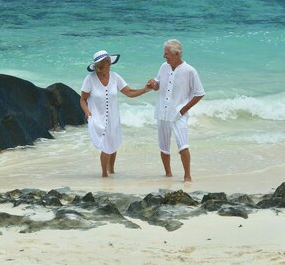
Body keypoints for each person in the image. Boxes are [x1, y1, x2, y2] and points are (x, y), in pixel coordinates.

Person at [80, 50, 151, 177]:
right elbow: (83, 99)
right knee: (106, 146)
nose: (109, 63)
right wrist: (87, 112)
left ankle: (111, 170)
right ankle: (104, 175)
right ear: (99, 65)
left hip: (113, 117)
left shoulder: (115, 76)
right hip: (97, 117)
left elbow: (129, 92)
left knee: (113, 144)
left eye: (109, 61)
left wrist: (145, 90)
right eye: (106, 61)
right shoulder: (90, 79)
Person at [147, 39, 205, 182]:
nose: (164, 56)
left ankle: (187, 177)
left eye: (166, 53)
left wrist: (183, 110)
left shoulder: (190, 71)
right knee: (163, 147)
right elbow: (157, 85)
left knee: (183, 145)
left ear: (176, 54)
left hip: (178, 115)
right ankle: (168, 175)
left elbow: (199, 93)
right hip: (162, 112)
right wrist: (153, 84)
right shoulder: (163, 67)